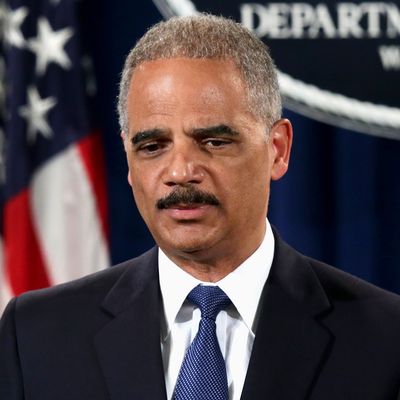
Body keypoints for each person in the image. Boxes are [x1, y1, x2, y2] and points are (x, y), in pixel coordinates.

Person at [1, 14, 400, 400]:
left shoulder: (385, 339)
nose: (180, 171)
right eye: (153, 146)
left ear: (277, 150)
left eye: (213, 141)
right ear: (128, 158)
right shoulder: (36, 335)